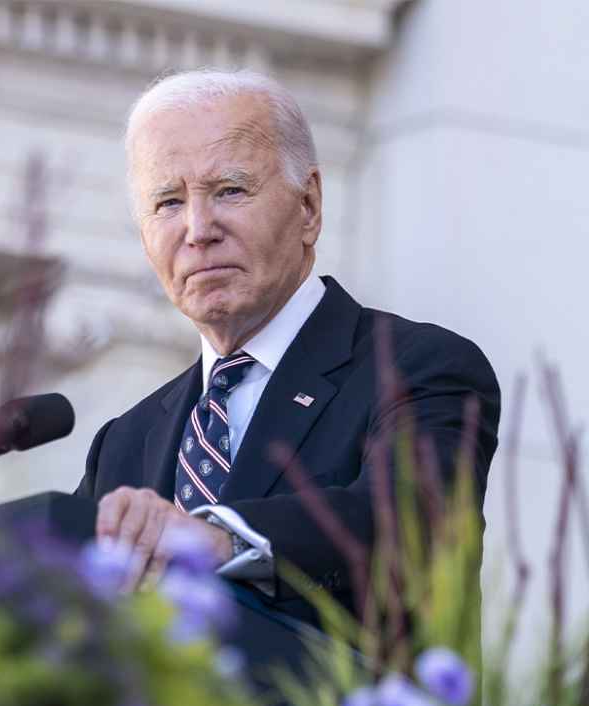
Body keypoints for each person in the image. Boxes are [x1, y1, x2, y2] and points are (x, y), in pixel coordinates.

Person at [76, 69, 501, 625]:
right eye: (168, 203)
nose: (198, 229)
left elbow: (408, 523)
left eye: (229, 190)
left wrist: (215, 540)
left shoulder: (419, 367)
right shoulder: (124, 444)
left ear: (309, 206)